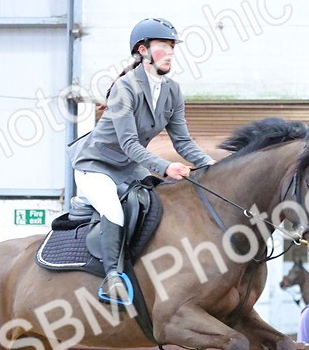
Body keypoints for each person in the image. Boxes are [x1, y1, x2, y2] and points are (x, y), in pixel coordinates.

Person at [68, 17, 215, 306]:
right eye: (163, 46)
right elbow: (129, 144)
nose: (170, 53)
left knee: (159, 205)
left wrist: (213, 165)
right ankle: (112, 276)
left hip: (128, 167)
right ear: (143, 50)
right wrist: (166, 167)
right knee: (114, 210)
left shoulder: (172, 91)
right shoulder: (125, 88)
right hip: (95, 165)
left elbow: (183, 142)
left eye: (172, 47)